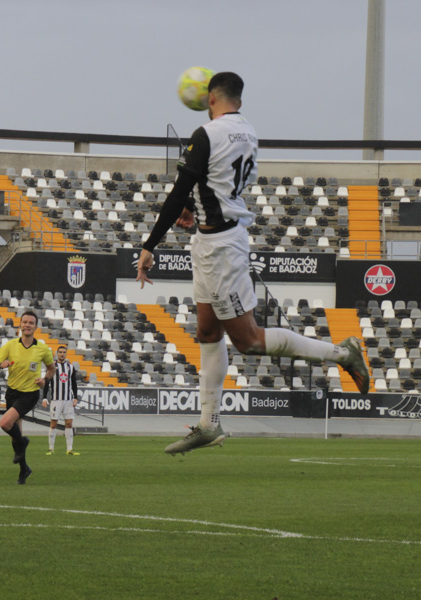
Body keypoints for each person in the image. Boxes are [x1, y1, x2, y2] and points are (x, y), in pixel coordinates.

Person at [135, 72, 370, 455]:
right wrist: (198, 210)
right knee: (208, 333)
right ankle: (209, 425)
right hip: (213, 238)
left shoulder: (205, 134)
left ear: (210, 98)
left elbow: (180, 188)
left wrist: (149, 244)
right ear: (238, 100)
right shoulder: (248, 132)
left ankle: (342, 353)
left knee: (249, 341)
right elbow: (215, 183)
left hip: (221, 249)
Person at [0, 310, 55, 485]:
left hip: (29, 394)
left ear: (36, 327)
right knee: (14, 436)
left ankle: (23, 441)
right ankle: (24, 469)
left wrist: (44, 379)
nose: (27, 325)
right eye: (24, 322)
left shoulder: (42, 348)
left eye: (31, 323)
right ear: (20, 324)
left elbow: (51, 369)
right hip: (12, 392)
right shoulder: (10, 345)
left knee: (4, 423)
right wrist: (0, 365)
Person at [42, 345, 80, 456]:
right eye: (60, 352)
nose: (62, 354)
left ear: (66, 354)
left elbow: (73, 383)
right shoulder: (52, 367)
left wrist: (75, 397)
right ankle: (51, 449)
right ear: (57, 353)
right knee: (53, 424)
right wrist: (45, 397)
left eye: (64, 352)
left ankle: (69, 449)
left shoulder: (71, 367)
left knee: (69, 423)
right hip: (55, 400)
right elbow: (47, 382)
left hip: (68, 400)